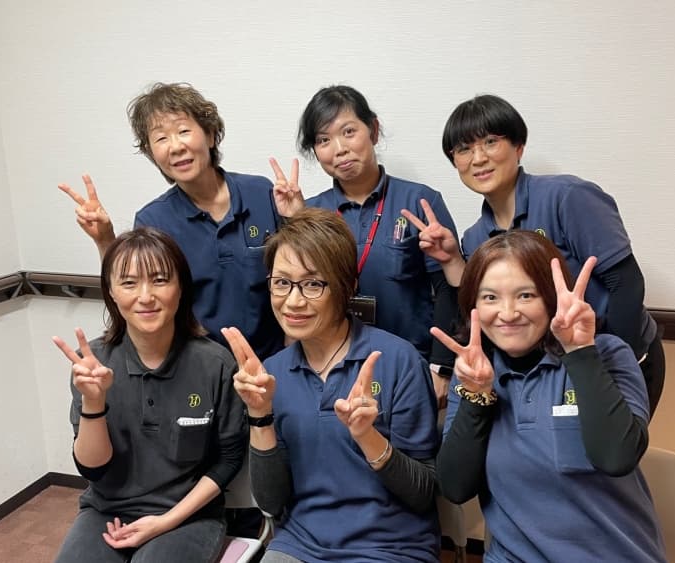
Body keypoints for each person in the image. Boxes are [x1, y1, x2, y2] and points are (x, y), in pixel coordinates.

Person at [403, 94, 664, 414]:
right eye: (464, 149)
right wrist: (453, 260)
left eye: (490, 142)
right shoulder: (475, 237)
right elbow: (480, 306)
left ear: (518, 147)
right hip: (550, 369)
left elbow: (626, 283)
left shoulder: (567, 197)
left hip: (613, 353)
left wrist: (619, 363)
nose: (478, 158)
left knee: (610, 444)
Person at [221, 208, 440, 562]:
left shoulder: (398, 361)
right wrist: (260, 415)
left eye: (313, 284)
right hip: (300, 545)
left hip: (390, 547)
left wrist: (368, 437)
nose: (293, 301)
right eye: (281, 283)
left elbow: (424, 494)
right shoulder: (271, 375)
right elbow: (271, 504)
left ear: (347, 286)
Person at [434, 230, 665, 563]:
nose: (508, 313)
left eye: (526, 295)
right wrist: (477, 397)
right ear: (473, 306)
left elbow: (617, 457)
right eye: (490, 297)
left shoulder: (608, 354)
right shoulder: (473, 374)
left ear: (552, 297)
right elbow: (455, 487)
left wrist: (580, 353)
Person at [52, 227, 247, 563]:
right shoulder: (93, 364)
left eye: (159, 280)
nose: (145, 296)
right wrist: (93, 403)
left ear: (181, 287)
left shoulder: (215, 363)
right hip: (106, 510)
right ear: (111, 291)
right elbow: (93, 470)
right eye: (129, 283)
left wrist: (165, 522)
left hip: (188, 515)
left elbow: (229, 459)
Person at [58, 82, 283, 358]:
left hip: (275, 359)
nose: (175, 147)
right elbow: (133, 294)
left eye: (183, 131)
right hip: (202, 367)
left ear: (210, 135)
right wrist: (105, 239)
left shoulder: (260, 192)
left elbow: (298, 272)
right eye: (161, 138)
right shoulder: (154, 219)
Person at [271, 85, 460, 407]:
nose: (339, 149)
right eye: (324, 140)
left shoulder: (419, 201)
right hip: (331, 368)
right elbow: (297, 290)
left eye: (348, 132)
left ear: (373, 130)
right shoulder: (312, 211)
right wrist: (297, 222)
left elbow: (446, 287)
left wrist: (441, 366)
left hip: (409, 367)